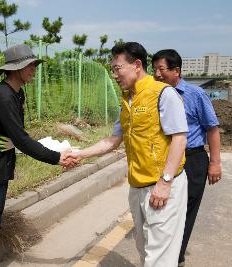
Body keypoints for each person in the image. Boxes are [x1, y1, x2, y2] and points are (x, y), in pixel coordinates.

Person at [70, 42, 188, 267]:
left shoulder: (163, 93)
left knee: (159, 256)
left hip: (163, 185)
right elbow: (113, 140)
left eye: (117, 68)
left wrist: (165, 182)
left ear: (136, 65)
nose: (114, 75)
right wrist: (80, 154)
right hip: (137, 186)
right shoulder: (127, 100)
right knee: (144, 249)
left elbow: (179, 138)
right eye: (112, 69)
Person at [0, 44, 78, 266]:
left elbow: (15, 134)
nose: (34, 69)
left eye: (35, 64)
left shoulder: (16, 94)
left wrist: (13, 141)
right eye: (30, 65)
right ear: (15, 69)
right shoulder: (4, 96)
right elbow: (22, 138)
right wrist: (56, 157)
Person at [152, 49, 221, 267]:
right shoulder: (156, 94)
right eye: (153, 69)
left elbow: (212, 129)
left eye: (161, 69)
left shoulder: (195, 94)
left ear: (176, 71)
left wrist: (215, 163)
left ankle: (176, 258)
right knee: (163, 208)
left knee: (186, 212)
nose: (156, 74)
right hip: (165, 160)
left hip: (192, 159)